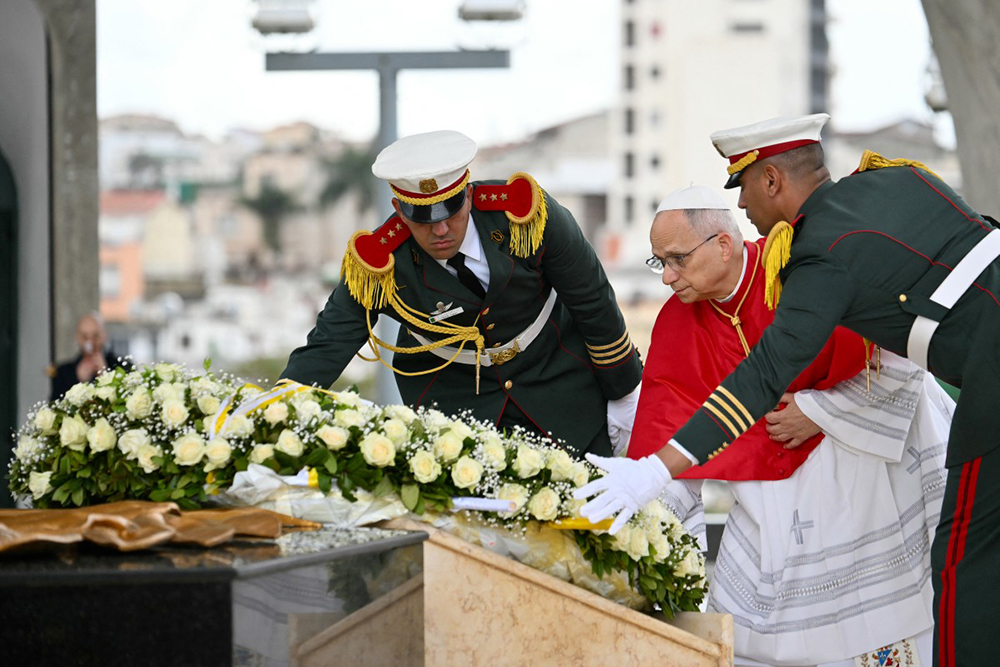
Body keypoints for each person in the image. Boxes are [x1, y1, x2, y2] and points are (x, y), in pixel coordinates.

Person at [575, 112, 1000, 665]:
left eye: (746, 188)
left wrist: (817, 411)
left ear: (770, 184)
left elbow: (770, 375)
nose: (746, 207)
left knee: (964, 563)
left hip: (917, 427)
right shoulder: (898, 177)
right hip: (784, 498)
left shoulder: (812, 258)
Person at [628, 185, 951, 666]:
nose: (668, 277)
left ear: (723, 243)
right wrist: (635, 519)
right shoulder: (677, 320)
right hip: (767, 502)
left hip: (857, 468)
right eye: (660, 262)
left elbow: (902, 365)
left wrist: (816, 410)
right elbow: (670, 430)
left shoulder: (804, 271)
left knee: (889, 625)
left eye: (676, 259)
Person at [281, 130, 642, 458]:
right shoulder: (379, 263)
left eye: (451, 210)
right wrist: (273, 415)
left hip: (562, 393)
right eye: (422, 216)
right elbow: (328, 344)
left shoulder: (525, 214)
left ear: (468, 193)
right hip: (457, 418)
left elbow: (591, 298)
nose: (439, 229)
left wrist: (624, 391)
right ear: (398, 210)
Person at [49, 311, 129, 401]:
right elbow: (56, 406)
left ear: (104, 335)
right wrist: (77, 379)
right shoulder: (63, 373)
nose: (90, 343)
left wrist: (105, 375)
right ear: (78, 337)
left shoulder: (122, 367)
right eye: (85, 337)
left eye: (95, 336)